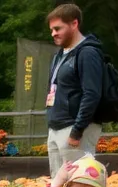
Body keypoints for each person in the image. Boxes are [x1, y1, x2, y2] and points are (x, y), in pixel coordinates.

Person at [45, 4, 105, 176]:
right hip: (57, 126)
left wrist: (77, 130)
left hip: (74, 128)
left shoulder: (87, 53)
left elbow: (92, 94)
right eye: (51, 30)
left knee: (80, 182)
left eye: (57, 28)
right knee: (59, 184)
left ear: (74, 24)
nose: (53, 33)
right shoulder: (60, 54)